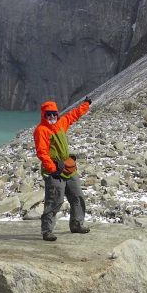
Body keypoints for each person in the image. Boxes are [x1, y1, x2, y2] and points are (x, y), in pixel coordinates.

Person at [33, 96, 92, 242]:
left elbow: (74, 114)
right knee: (54, 200)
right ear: (43, 115)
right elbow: (42, 152)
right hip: (54, 171)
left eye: (54, 113)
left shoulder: (61, 123)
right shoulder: (41, 131)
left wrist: (86, 104)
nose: (52, 116)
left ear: (57, 114)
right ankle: (47, 231)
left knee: (77, 196)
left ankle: (77, 224)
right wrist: (53, 169)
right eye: (49, 114)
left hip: (67, 167)